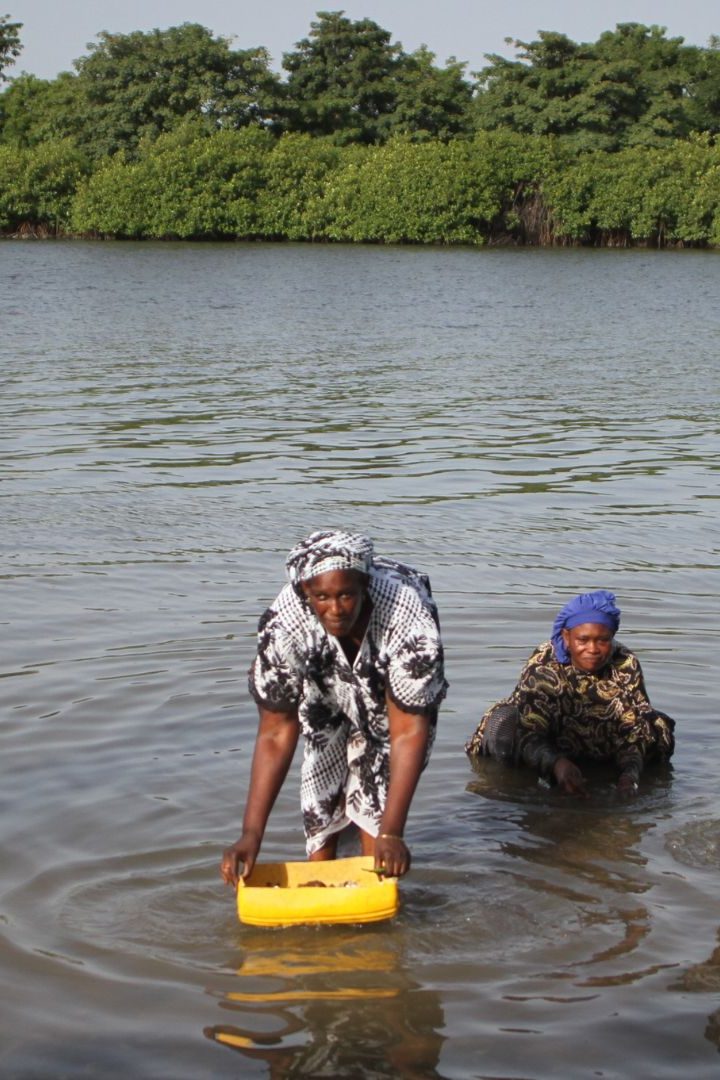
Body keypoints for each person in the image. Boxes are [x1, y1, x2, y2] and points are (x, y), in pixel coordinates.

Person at [221, 530, 448, 886]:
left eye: (346, 594)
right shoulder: (285, 623)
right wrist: (251, 835)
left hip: (392, 691)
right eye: (322, 597)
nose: (337, 608)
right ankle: (321, 899)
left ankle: (375, 902)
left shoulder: (406, 614)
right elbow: (276, 731)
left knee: (378, 824)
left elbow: (407, 730)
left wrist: (392, 833)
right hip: (324, 685)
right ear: (306, 594)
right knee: (320, 799)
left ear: (364, 586)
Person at [465, 590, 674, 796]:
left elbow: (635, 730)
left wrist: (630, 775)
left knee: (655, 726)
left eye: (602, 640)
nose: (592, 649)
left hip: (598, 739)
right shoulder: (544, 665)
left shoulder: (625, 663)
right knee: (506, 721)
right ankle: (508, 784)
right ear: (567, 637)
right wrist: (557, 765)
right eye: (583, 640)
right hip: (549, 739)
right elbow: (528, 732)